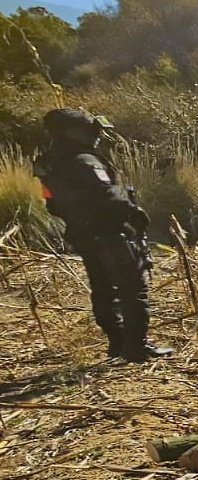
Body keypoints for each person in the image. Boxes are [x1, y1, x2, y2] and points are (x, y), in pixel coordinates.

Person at [33, 108, 172, 363]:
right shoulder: (85, 161)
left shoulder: (50, 164)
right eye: (91, 131)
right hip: (108, 234)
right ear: (75, 132)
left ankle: (117, 343)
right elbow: (106, 194)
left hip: (82, 234)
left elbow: (52, 205)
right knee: (132, 289)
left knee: (103, 289)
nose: (96, 137)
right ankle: (136, 348)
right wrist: (133, 213)